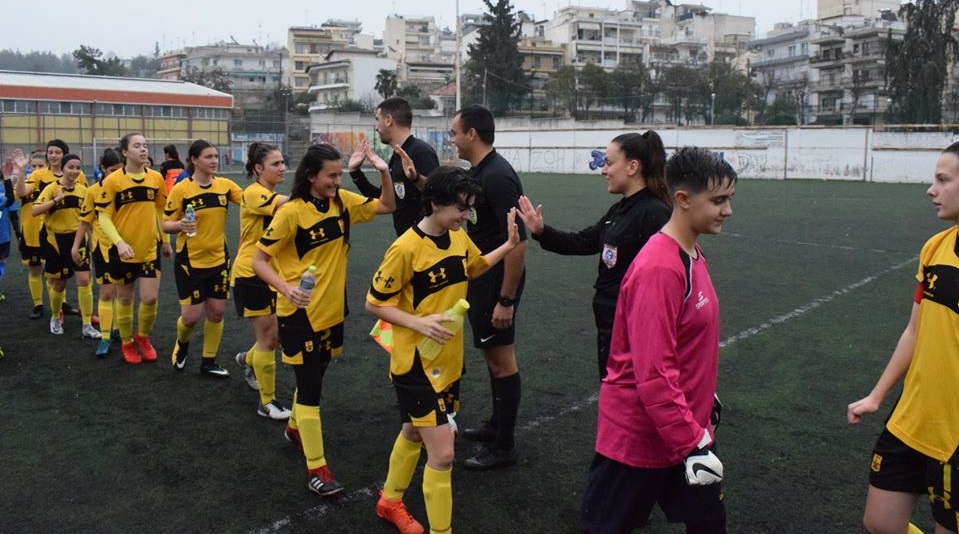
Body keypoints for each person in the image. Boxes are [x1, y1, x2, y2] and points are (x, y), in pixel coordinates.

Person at [580, 147, 736, 534]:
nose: (727, 210)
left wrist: (703, 397)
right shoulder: (660, 268)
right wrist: (692, 444)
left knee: (709, 525)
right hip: (640, 437)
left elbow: (684, 344)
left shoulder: (690, 252)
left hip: (683, 424)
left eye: (729, 199)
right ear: (683, 199)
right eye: (718, 201)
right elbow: (653, 373)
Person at [366, 166, 520, 534]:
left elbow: (474, 267)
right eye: (461, 208)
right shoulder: (405, 248)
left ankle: (389, 501)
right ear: (435, 204)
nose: (466, 215)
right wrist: (417, 323)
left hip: (446, 360)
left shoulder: (457, 237)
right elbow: (374, 303)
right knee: (444, 453)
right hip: (415, 364)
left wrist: (509, 246)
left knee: (413, 432)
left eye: (469, 208)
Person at [252, 143, 395, 498]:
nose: (336, 181)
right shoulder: (290, 212)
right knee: (311, 389)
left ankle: (295, 429)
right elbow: (259, 261)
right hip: (299, 315)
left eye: (339, 174)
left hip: (332, 312)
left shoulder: (342, 202)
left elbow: (387, 205)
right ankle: (317, 469)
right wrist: (287, 289)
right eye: (331, 175)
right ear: (311, 175)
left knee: (316, 376)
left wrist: (384, 172)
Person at [847, 141, 959, 534]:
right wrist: (877, 396)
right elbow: (915, 330)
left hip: (954, 433)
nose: (931, 189)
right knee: (879, 522)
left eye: (942, 180)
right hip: (911, 419)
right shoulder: (935, 248)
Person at [517, 131, 670, 380]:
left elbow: (666, 279)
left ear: (632, 167)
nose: (603, 170)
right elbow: (584, 241)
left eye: (609, 163)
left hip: (632, 327)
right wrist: (541, 232)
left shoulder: (654, 213)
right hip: (610, 322)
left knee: (627, 391)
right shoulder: (619, 209)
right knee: (612, 388)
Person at [447, 104, 528, 470]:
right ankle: (496, 426)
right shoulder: (478, 173)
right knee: (491, 355)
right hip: (482, 279)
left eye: (454, 133)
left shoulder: (498, 176)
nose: (452, 139)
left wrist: (506, 299)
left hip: (497, 283)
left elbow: (518, 242)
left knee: (501, 358)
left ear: (472, 134)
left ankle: (505, 446)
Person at [163, 139, 243, 378]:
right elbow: (165, 224)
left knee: (216, 312)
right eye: (208, 157)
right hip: (190, 263)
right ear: (194, 160)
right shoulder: (182, 189)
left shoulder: (225, 186)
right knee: (190, 318)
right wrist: (180, 224)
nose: (214, 161)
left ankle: (209, 362)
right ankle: (182, 343)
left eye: (216, 156)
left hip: (218, 260)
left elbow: (251, 201)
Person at [95, 132, 171, 365]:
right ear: (125, 152)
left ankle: (143, 337)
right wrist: (119, 242)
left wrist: (165, 240)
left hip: (149, 250)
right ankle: (127, 342)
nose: (143, 149)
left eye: (145, 145)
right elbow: (104, 217)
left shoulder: (156, 178)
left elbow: (160, 210)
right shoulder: (113, 181)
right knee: (125, 299)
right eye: (137, 145)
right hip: (123, 252)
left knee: (150, 298)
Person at [230, 142, 293, 419]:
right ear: (258, 168)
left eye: (283, 163)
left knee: (276, 335)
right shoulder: (254, 193)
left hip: (270, 273)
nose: (282, 168)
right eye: (275, 164)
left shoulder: (269, 193)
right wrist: (312, 181)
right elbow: (288, 204)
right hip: (250, 273)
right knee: (268, 336)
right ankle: (267, 403)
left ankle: (248, 359)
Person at [10, 140, 85, 320]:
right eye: (50, 152)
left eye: (57, 152)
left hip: (64, 232)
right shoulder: (39, 175)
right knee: (36, 268)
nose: (53, 155)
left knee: (60, 273)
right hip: (34, 231)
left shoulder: (77, 175)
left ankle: (60, 306)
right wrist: (21, 170)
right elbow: (21, 193)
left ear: (64, 155)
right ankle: (38, 304)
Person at [30, 153, 100, 339]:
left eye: (78, 168)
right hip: (56, 242)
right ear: (62, 168)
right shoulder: (51, 188)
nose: (75, 171)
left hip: (78, 240)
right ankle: (55, 317)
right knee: (59, 284)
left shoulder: (84, 191)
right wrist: (55, 200)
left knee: (84, 280)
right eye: (71, 167)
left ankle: (87, 324)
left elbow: (89, 219)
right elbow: (34, 210)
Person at [349, 96, 440, 236]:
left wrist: (416, 178)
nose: (377, 128)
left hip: (424, 242)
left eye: (377, 120)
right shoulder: (397, 156)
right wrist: (355, 172)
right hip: (406, 240)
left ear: (388, 120)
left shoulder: (421, 151)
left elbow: (439, 193)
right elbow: (383, 198)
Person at [74, 148, 124, 357]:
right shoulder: (93, 191)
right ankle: (105, 337)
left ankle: (119, 330)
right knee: (106, 292)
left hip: (125, 246)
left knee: (123, 291)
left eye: (119, 170)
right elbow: (85, 221)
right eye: (112, 170)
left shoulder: (126, 189)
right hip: (102, 248)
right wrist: (75, 246)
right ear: (103, 169)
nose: (116, 174)